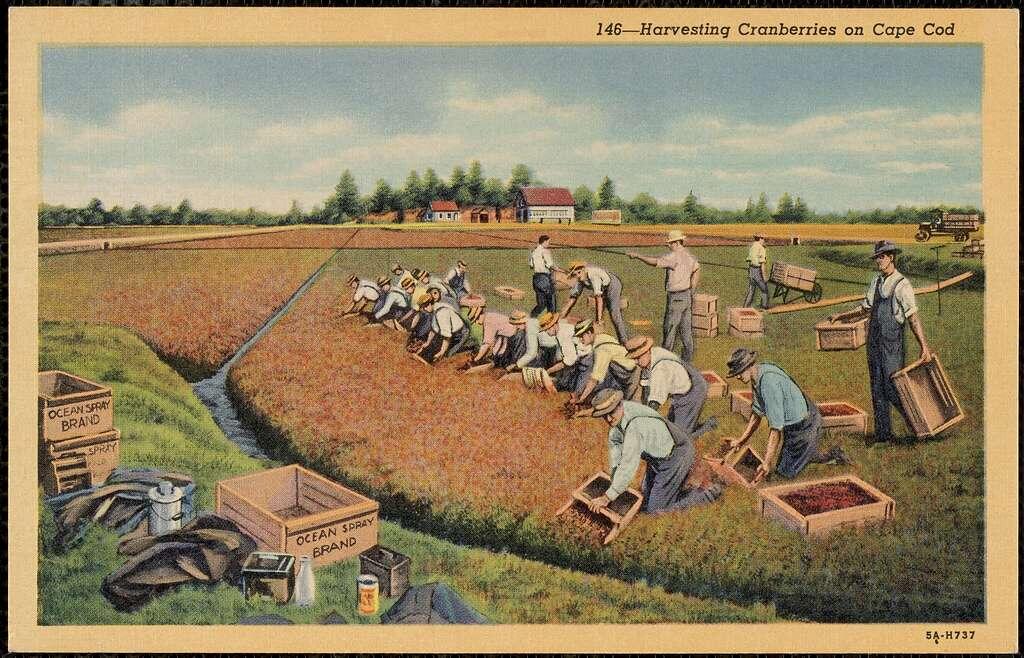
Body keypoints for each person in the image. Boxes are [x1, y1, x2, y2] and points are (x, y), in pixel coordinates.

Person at [829, 240, 932, 444]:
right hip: (874, 342)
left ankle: (921, 426)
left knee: (893, 387)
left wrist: (924, 346)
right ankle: (883, 436)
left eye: (882, 257)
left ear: (891, 257)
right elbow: (865, 308)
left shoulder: (902, 285)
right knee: (877, 387)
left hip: (892, 344)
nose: (879, 261)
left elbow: (913, 317)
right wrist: (841, 316)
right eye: (877, 257)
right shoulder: (876, 282)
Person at [586, 388, 723, 515]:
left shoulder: (635, 426)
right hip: (656, 459)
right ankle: (677, 491)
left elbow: (628, 465)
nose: (609, 419)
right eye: (605, 415)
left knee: (654, 512)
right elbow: (616, 452)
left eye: (611, 413)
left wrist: (606, 498)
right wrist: (614, 481)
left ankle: (706, 494)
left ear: (620, 405)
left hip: (675, 456)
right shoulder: (619, 422)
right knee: (645, 502)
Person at [724, 348, 851, 484]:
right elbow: (756, 415)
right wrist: (741, 441)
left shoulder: (768, 383)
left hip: (805, 424)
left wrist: (767, 462)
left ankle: (830, 455)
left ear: (749, 366)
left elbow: (776, 429)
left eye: (739, 372)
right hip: (796, 421)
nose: (737, 376)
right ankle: (830, 454)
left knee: (783, 474)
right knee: (796, 458)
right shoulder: (758, 376)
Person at [627, 230, 700, 361]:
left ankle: (664, 361)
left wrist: (637, 256)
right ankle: (687, 363)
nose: (668, 246)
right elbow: (696, 269)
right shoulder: (689, 256)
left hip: (676, 298)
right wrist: (692, 289)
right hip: (687, 297)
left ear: (677, 243)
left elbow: (655, 262)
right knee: (686, 333)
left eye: (670, 243)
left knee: (670, 331)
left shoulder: (673, 257)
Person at [624, 335, 715, 438]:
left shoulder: (659, 369)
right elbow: (646, 391)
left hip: (692, 392)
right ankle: (690, 424)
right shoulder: (651, 357)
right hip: (680, 390)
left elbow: (654, 404)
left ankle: (709, 425)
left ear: (647, 351)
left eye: (638, 357)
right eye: (634, 358)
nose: (636, 361)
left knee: (680, 438)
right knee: (671, 428)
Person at [567, 320, 640, 410]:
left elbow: (594, 379)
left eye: (582, 336)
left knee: (628, 409)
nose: (580, 340)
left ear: (589, 333)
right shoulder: (604, 339)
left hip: (632, 377)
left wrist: (581, 399)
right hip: (625, 376)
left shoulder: (601, 349)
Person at [561, 261, 630, 344]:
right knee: (599, 305)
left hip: (612, 284)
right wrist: (562, 315)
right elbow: (572, 299)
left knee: (614, 313)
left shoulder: (593, 276)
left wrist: (599, 320)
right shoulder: (580, 280)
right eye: (575, 275)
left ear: (584, 270)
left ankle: (624, 341)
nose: (578, 276)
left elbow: (599, 298)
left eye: (579, 273)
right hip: (602, 289)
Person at [416, 294, 472, 363]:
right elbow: (433, 329)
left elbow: (447, 336)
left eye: (425, 306)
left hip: (460, 334)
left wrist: (442, 351)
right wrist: (427, 343)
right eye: (423, 307)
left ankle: (470, 346)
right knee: (432, 348)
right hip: (450, 332)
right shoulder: (434, 310)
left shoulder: (442, 313)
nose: (425, 309)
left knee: (448, 355)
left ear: (430, 304)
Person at [529, 235, 564, 316]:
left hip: (536, 279)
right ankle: (552, 320)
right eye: (548, 242)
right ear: (544, 242)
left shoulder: (533, 252)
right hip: (544, 278)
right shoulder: (545, 251)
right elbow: (551, 265)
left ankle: (532, 317)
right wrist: (562, 270)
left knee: (541, 304)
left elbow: (531, 266)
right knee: (551, 301)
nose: (549, 244)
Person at [742, 234, 771, 310]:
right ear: (760, 239)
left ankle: (745, 307)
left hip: (751, 270)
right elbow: (762, 264)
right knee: (764, 289)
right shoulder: (761, 248)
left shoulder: (752, 247)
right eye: (764, 239)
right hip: (757, 271)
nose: (764, 241)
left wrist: (750, 270)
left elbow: (749, 260)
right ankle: (764, 307)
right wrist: (764, 276)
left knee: (751, 290)